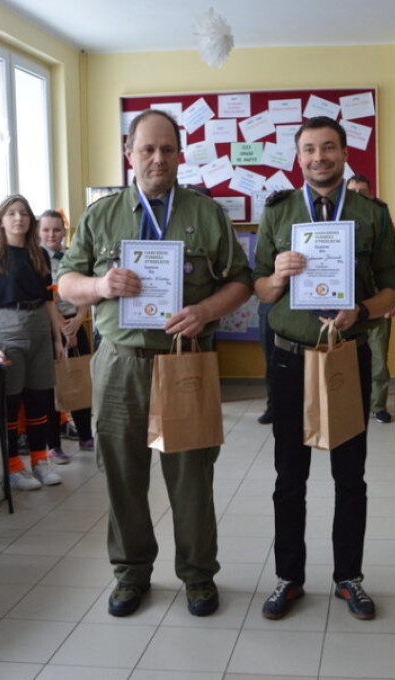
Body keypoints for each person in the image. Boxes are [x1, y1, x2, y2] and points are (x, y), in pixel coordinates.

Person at [58, 109, 252, 618]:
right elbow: (66, 282)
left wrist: (206, 310)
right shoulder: (102, 215)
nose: (158, 159)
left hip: (184, 363)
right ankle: (131, 573)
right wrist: (100, 286)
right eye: (147, 149)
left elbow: (241, 281)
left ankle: (198, 575)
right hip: (119, 364)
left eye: (167, 149)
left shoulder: (205, 213)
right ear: (129, 153)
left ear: (180, 154)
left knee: (191, 478)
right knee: (122, 475)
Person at [254, 116, 395, 621]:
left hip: (345, 356)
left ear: (343, 153)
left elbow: (393, 289)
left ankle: (348, 578)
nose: (319, 157)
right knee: (288, 478)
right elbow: (259, 288)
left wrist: (361, 310)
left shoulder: (371, 213)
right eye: (310, 149)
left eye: (329, 148)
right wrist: (276, 276)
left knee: (349, 477)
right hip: (289, 359)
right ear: (299, 156)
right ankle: (288, 578)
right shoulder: (276, 211)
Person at [0, 194, 64, 491]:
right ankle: (13, 466)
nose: (18, 218)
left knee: (39, 399)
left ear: (30, 220)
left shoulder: (39, 254)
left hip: (38, 323)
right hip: (6, 326)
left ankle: (40, 461)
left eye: (23, 213)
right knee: (10, 402)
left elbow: (50, 300)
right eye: (11, 213)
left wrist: (57, 338)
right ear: (1, 220)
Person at [39, 209, 94, 461]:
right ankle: (53, 444)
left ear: (65, 231)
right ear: (39, 232)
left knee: (81, 377)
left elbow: (88, 290)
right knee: (53, 386)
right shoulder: (35, 258)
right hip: (50, 327)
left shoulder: (74, 255)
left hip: (75, 322)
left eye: (57, 229)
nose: (52, 234)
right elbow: (44, 297)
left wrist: (78, 320)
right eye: (46, 229)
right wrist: (62, 326)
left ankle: (85, 435)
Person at [346, 174, 395, 423]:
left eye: (363, 191)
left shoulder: (380, 218)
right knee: (345, 361)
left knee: (378, 359)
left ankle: (377, 405)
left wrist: (391, 300)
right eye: (353, 191)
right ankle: (350, 405)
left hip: (376, 304)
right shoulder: (336, 220)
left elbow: (391, 263)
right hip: (345, 307)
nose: (358, 196)